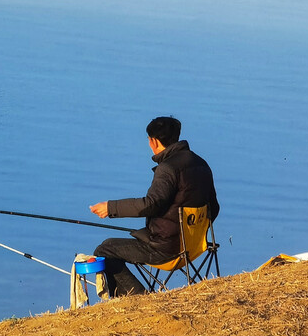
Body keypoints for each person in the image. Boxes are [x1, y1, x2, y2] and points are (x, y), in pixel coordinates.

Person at [89, 116, 219, 296]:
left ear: (154, 141)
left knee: (105, 249)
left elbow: (151, 204)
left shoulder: (168, 168)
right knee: (118, 244)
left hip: (167, 249)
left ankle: (138, 297)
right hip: (194, 246)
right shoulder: (201, 164)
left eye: (149, 140)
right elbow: (214, 208)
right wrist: (190, 232)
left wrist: (110, 208)